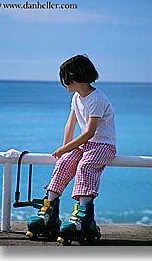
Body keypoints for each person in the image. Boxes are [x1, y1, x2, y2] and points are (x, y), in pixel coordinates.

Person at [27, 54, 117, 241]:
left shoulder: (97, 99)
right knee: (64, 163)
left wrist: (66, 148)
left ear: (74, 77)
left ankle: (82, 217)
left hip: (103, 145)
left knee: (86, 166)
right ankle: (48, 212)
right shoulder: (77, 98)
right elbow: (70, 124)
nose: (63, 83)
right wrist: (64, 150)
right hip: (85, 144)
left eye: (64, 78)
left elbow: (91, 132)